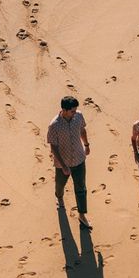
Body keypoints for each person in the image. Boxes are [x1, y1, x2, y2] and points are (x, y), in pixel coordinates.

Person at [47, 96, 92, 229]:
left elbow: (82, 130)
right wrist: (64, 165)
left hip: (79, 159)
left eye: (76, 109)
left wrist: (87, 145)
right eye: (72, 110)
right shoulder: (54, 125)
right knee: (60, 185)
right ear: (64, 110)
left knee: (81, 188)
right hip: (63, 163)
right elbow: (53, 147)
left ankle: (82, 215)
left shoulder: (78, 116)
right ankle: (59, 197)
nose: (75, 112)